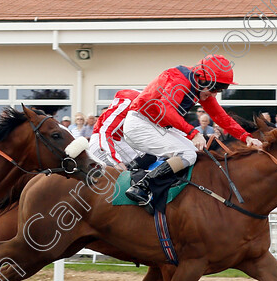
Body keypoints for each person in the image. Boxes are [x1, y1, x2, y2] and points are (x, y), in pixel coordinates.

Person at [123, 55, 263, 206]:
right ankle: (142, 186)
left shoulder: (199, 85)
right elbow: (166, 109)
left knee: (196, 153)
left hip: (156, 126)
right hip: (139, 124)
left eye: (221, 90)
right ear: (202, 78)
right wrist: (193, 133)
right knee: (187, 154)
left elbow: (220, 116)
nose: (215, 94)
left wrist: (246, 137)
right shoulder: (179, 80)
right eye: (215, 88)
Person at [88, 89, 141, 170]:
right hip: (102, 144)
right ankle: (128, 176)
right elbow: (105, 132)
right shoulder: (131, 100)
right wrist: (117, 162)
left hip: (114, 142)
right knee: (151, 154)